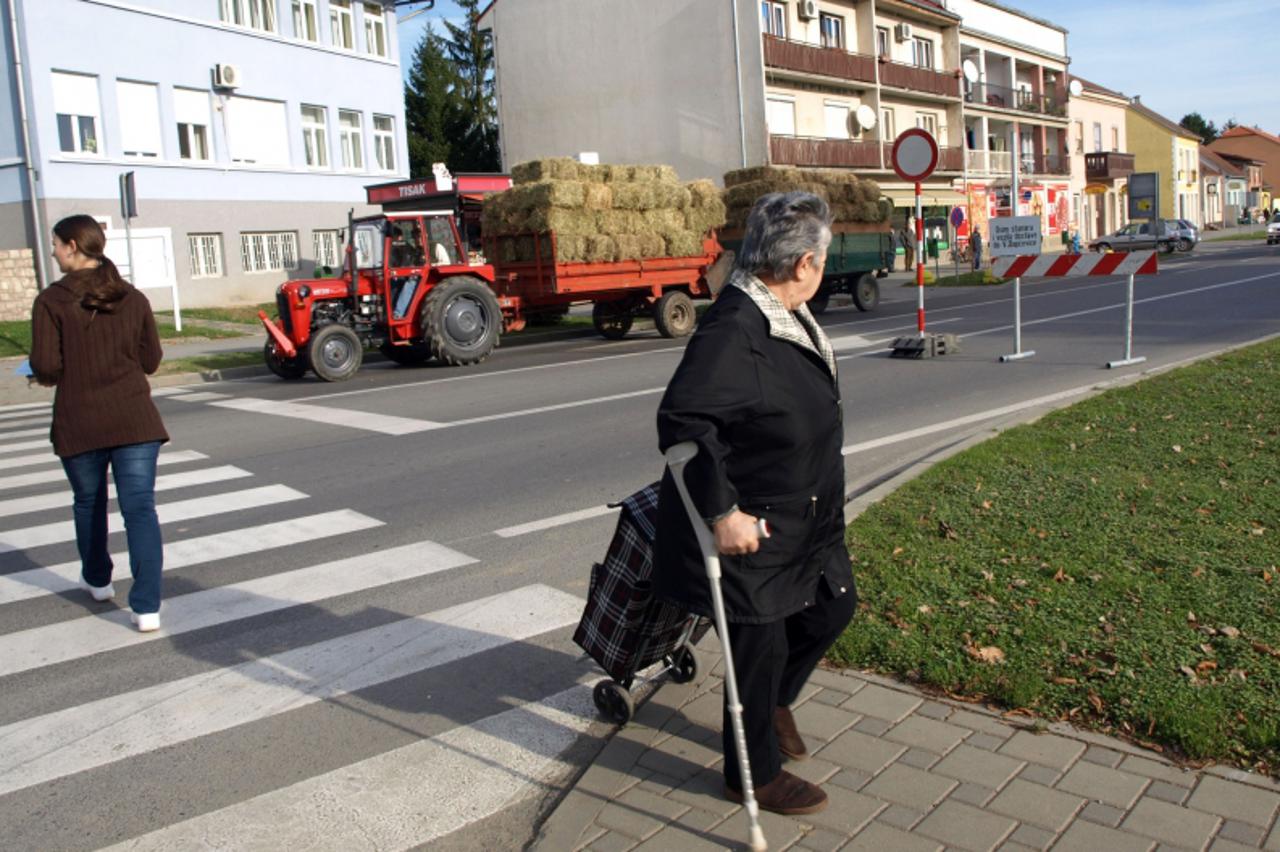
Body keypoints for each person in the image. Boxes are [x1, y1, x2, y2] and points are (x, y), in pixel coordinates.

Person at [654, 192, 856, 816]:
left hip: (808, 513)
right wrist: (723, 515)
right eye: (823, 258)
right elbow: (685, 421)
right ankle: (752, 774)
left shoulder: (782, 309)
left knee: (832, 609)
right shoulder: (734, 328)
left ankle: (772, 703)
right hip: (756, 523)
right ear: (804, 265)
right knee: (757, 652)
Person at [30, 215, 169, 632]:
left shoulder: (51, 301)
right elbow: (151, 361)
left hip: (80, 420)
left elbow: (48, 367)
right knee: (140, 510)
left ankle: (98, 579)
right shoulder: (133, 297)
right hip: (135, 421)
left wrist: (44, 372)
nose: (53, 251)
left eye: (55, 244)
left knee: (89, 504)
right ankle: (146, 608)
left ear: (73, 245)